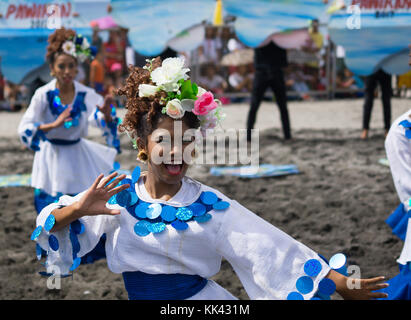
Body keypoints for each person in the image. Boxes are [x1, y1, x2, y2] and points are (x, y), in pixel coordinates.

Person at [31, 56, 388, 300]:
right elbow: (50, 225)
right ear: (142, 143)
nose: (177, 152)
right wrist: (78, 208)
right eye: (164, 141)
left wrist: (339, 281)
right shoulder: (119, 196)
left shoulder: (208, 206)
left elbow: (268, 247)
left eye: (187, 141)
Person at [19, 28, 121, 264]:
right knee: (51, 205)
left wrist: (107, 116)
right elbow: (25, 127)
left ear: (78, 68)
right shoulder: (42, 95)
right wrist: (51, 125)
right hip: (51, 158)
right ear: (52, 68)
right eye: (61, 66)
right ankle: (54, 250)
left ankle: (81, 253)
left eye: (71, 66)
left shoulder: (86, 94)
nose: (66, 72)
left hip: (77, 155)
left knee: (82, 202)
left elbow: (103, 122)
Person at [246, 41, 292, 141]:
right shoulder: (277, 35)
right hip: (270, 71)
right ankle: (287, 135)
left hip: (265, 71)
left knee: (255, 106)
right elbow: (284, 61)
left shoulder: (261, 34)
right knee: (281, 106)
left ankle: (248, 136)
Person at [360, 68, 392, 139]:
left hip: (384, 66)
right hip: (372, 66)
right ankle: (365, 129)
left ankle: (387, 129)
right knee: (368, 101)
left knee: (386, 99)